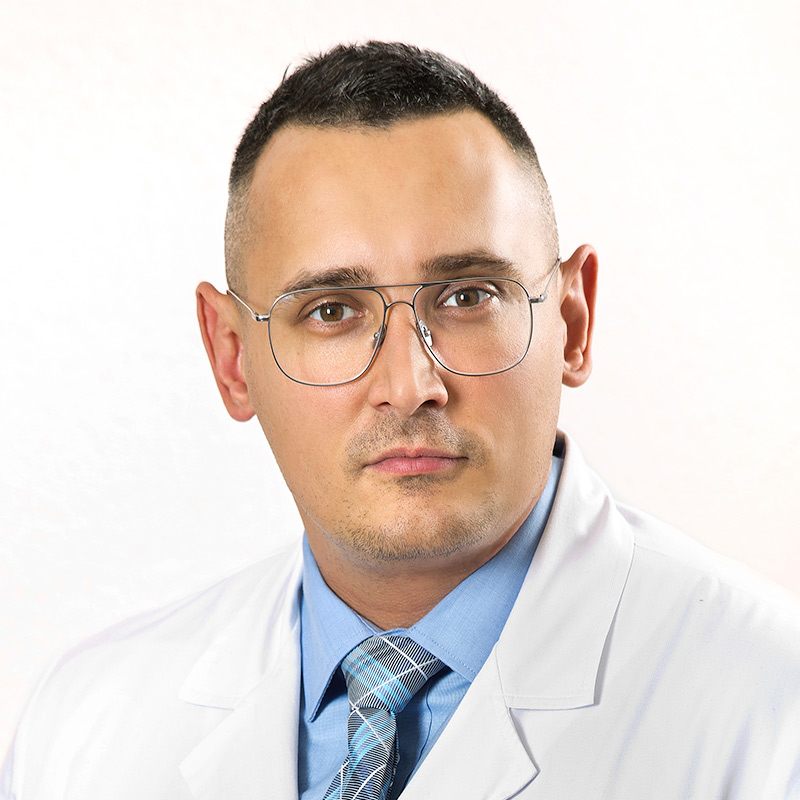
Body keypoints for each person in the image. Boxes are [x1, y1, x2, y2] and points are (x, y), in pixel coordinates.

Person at [3, 41, 800, 800]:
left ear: (572, 321)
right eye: (331, 311)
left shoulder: (772, 708)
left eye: (467, 297)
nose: (411, 385)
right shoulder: (84, 726)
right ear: (232, 358)